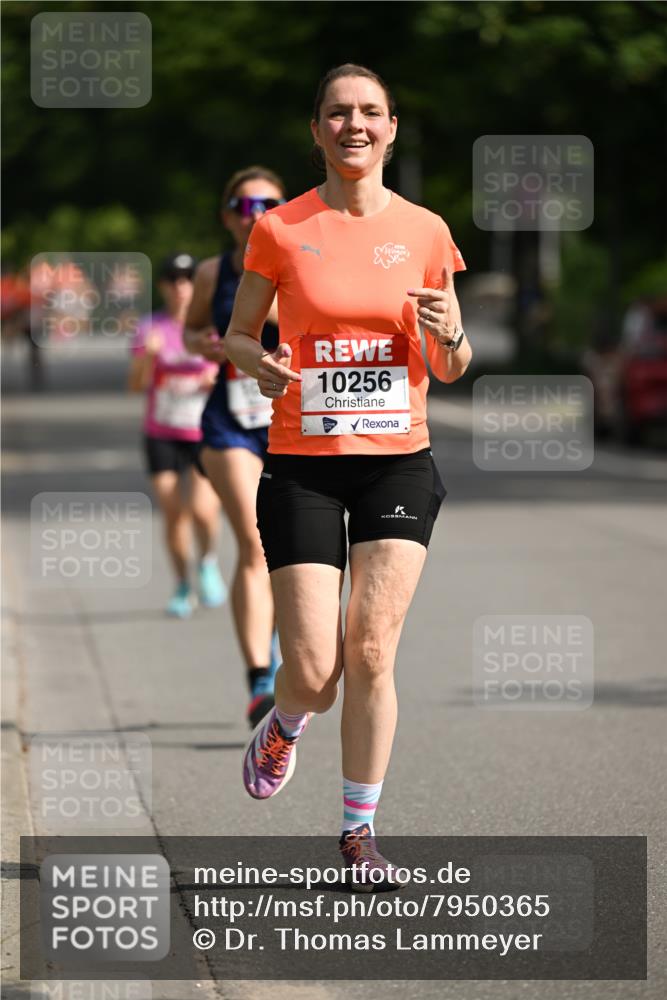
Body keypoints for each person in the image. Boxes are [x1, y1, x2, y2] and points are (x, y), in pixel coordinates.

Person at [224, 64, 472, 890]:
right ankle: (284, 717)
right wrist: (257, 364)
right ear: (317, 129)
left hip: (397, 461)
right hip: (302, 466)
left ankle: (357, 834)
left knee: (369, 649)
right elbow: (235, 335)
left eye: (370, 113)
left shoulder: (428, 231)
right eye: (338, 113)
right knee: (316, 673)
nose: (354, 125)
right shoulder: (283, 229)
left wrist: (449, 334)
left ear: (391, 128)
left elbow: (452, 360)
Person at [184, 167, 286, 727]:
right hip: (231, 423)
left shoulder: (302, 265)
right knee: (253, 538)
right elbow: (191, 331)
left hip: (294, 421)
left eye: (270, 203)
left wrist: (261, 317)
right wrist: (206, 343)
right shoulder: (212, 272)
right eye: (246, 206)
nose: (257, 214)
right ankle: (259, 680)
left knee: (294, 547)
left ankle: (292, 654)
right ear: (228, 215)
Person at [129, 253, 226, 618]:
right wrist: (147, 359)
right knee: (173, 513)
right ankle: (183, 585)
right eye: (173, 280)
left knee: (202, 510)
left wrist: (214, 377)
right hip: (162, 431)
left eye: (187, 279)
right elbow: (134, 385)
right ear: (163, 286)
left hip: (203, 430)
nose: (180, 287)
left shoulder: (212, 325)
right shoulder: (149, 328)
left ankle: (208, 559)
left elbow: (237, 372)